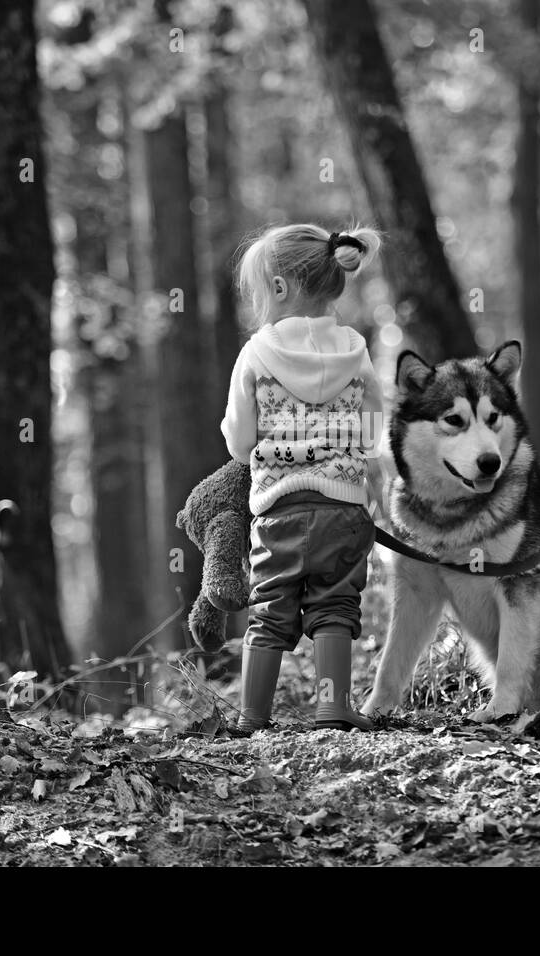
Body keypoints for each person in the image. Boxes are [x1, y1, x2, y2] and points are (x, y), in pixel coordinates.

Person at [221, 223, 386, 732]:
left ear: (278, 288)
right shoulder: (354, 350)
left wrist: (252, 449)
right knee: (335, 606)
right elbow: (374, 423)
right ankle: (332, 707)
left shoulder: (257, 353)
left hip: (279, 508)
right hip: (344, 505)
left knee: (270, 609)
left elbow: (238, 434)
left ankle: (253, 714)